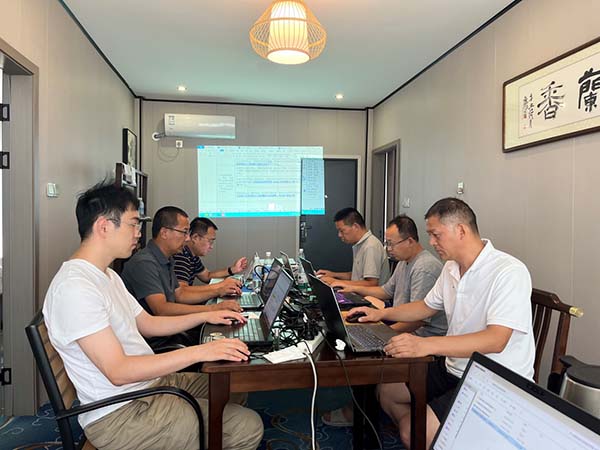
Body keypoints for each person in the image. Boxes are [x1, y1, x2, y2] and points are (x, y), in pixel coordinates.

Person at [42, 181, 263, 450]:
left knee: (233, 388)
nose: (139, 232)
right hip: (121, 413)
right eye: (133, 224)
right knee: (248, 426)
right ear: (104, 226)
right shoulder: (75, 288)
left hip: (146, 386)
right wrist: (201, 351)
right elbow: (118, 371)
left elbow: (147, 323)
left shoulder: (107, 275)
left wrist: (206, 316)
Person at [348, 198, 535, 448]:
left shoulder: (508, 271)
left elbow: (496, 340)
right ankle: (430, 431)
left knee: (414, 432)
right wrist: (380, 314)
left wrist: (426, 345)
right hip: (453, 367)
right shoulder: (450, 268)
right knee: (387, 391)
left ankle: (425, 432)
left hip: (493, 379)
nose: (431, 242)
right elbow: (425, 306)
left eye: (436, 235)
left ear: (461, 230)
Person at [322, 214, 446, 427]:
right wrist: (350, 287)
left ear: (409, 241)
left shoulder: (425, 267)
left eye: (391, 244)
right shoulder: (404, 262)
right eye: (387, 243)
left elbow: (419, 320)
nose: (388, 249)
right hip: (406, 328)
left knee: (365, 356)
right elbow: (385, 291)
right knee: (357, 336)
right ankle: (361, 410)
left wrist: (384, 336)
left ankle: (360, 413)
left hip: (422, 339)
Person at [121, 206, 241, 317]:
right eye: (184, 232)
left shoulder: (167, 258)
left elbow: (180, 295)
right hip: (159, 332)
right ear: (164, 233)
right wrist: (213, 308)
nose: (188, 238)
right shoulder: (144, 263)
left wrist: (218, 291)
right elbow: (161, 309)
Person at [173, 217, 247, 301]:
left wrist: (233, 269)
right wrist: (221, 286)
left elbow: (207, 276)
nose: (211, 247)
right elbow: (182, 291)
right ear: (195, 238)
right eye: (210, 241)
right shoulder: (181, 256)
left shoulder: (192, 255)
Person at [316, 207, 389, 286]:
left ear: (355, 226)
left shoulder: (370, 246)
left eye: (342, 231)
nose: (339, 235)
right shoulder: (360, 244)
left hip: (367, 294)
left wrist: (335, 282)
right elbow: (356, 276)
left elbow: (371, 283)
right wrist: (333, 275)